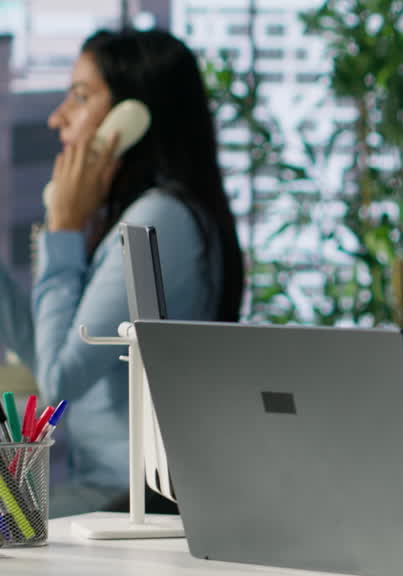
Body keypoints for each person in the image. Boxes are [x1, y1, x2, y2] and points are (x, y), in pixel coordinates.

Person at [0, 28, 244, 517]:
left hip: (138, 499)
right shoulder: (134, 218)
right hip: (105, 489)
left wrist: (64, 232)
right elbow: (47, 353)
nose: (57, 117)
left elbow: (57, 380)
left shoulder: (159, 221)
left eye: (81, 96)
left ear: (129, 119)